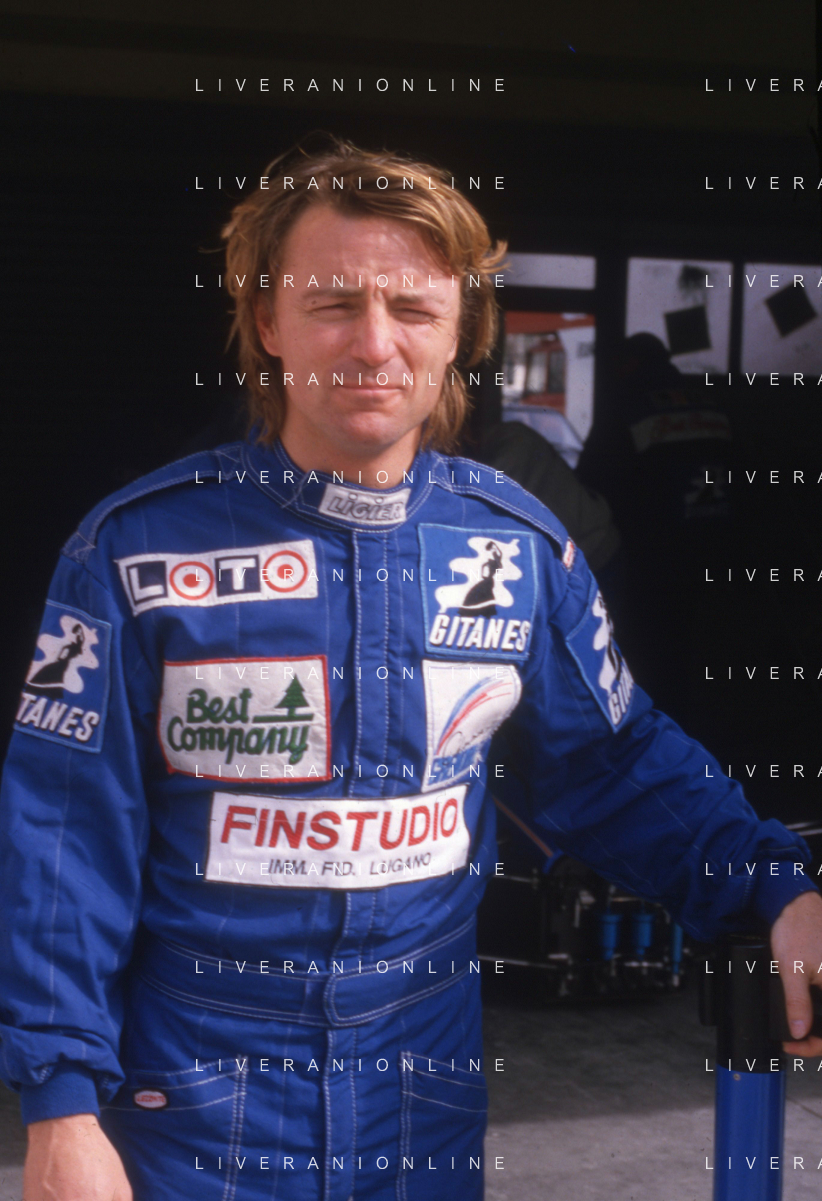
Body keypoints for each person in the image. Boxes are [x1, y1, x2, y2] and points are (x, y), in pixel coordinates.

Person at [2, 138, 821, 1201]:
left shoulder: (516, 546)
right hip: (192, 1104)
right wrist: (61, 1106)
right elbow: (64, 837)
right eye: (334, 303)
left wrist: (771, 881)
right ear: (267, 321)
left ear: (460, 332)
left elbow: (614, 763)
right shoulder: (135, 550)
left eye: (414, 308)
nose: (374, 342)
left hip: (420, 1096)